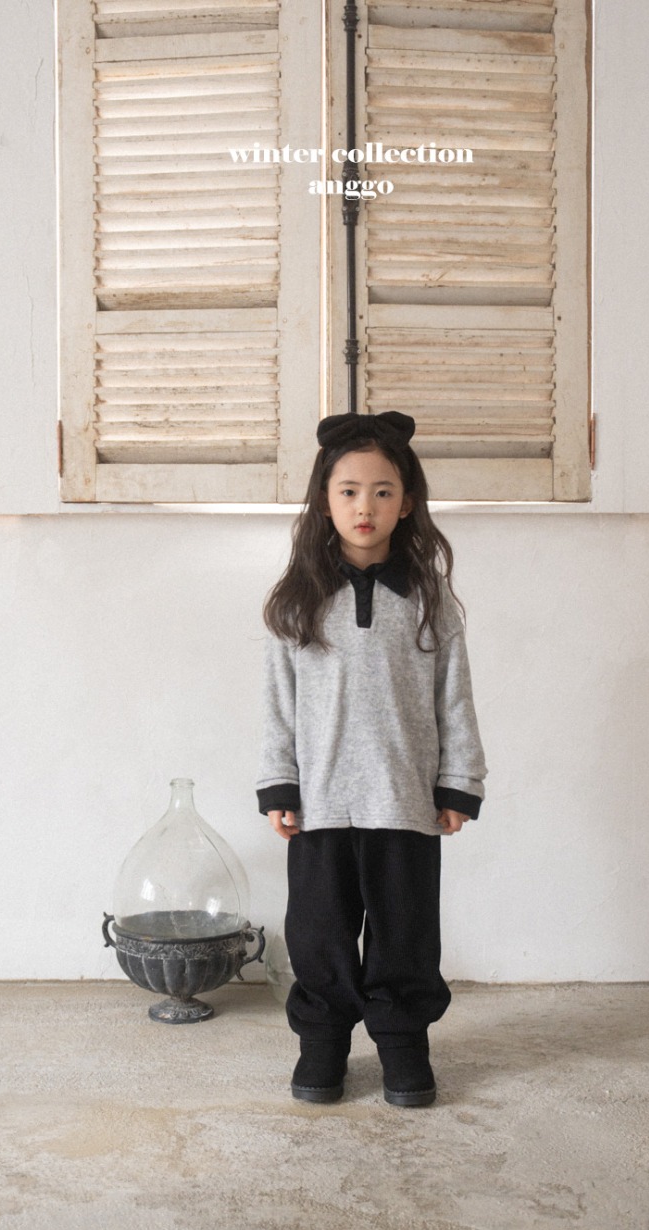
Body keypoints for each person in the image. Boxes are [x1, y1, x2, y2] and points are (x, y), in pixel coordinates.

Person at [256, 410, 487, 1107]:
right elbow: (277, 704)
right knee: (318, 935)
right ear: (324, 501)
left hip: (405, 801)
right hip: (321, 804)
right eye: (349, 491)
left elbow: (454, 697)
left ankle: (403, 1046)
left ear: (407, 502)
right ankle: (322, 1044)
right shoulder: (296, 603)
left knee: (405, 935)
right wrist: (279, 783)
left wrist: (458, 783)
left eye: (383, 491)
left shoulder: (429, 599)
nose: (366, 506)